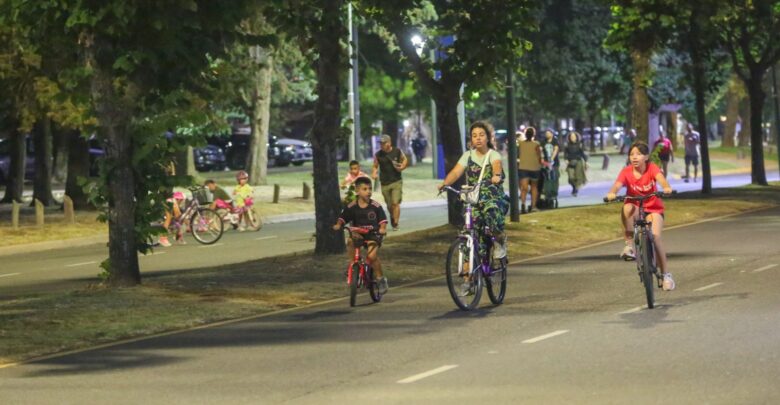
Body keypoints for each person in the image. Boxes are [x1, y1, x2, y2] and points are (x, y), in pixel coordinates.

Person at [438, 121, 507, 296]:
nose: (478, 138)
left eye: (481, 135)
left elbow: (497, 165)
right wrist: (445, 183)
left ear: (488, 138)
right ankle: (468, 280)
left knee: (492, 214)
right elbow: (456, 172)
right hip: (475, 200)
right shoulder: (467, 156)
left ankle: (499, 241)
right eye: (474, 135)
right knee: (469, 234)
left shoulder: (493, 154)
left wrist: (496, 176)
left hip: (491, 197)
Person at [605, 142, 675, 291]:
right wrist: (612, 193)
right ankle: (629, 246)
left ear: (646, 157)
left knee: (655, 238)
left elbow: (661, 180)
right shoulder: (626, 171)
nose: (634, 157)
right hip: (636, 207)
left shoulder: (652, 168)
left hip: (654, 209)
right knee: (627, 207)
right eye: (632, 154)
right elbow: (617, 185)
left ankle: (666, 275)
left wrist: (667, 188)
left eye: (638, 154)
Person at [332, 176, 389, 294]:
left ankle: (380, 279)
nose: (368, 191)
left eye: (370, 189)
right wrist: (338, 224)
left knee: (372, 256)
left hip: (373, 234)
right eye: (365, 189)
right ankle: (353, 265)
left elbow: (383, 221)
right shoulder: (352, 206)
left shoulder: (376, 206)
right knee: (350, 241)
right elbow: (343, 218)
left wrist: (382, 229)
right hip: (358, 234)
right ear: (357, 191)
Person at [372, 134, 408, 231]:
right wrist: (374, 173)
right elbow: (375, 166)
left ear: (389, 143)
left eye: (383, 143)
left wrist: (402, 167)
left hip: (396, 181)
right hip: (384, 183)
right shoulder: (378, 155)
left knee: (395, 203)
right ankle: (393, 217)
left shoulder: (397, 151)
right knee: (389, 205)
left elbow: (405, 159)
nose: (382, 145)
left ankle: (395, 223)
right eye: (381, 143)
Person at [517, 127, 543, 213]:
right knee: (534, 187)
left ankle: (523, 205)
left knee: (524, 188)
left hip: (523, 167)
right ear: (533, 135)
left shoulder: (521, 144)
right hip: (534, 168)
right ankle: (533, 206)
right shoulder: (536, 144)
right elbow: (539, 156)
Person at [540, 129, 560, 206]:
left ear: (552, 134)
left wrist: (552, 159)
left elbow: (555, 149)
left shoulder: (555, 141)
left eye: (548, 133)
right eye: (546, 133)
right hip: (545, 163)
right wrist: (542, 158)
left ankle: (553, 194)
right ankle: (547, 194)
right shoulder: (543, 141)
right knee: (547, 178)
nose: (547, 134)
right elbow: (541, 150)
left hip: (554, 163)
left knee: (554, 178)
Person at [564, 131, 588, 196]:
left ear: (576, 137)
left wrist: (586, 162)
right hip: (570, 162)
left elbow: (583, 154)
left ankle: (576, 189)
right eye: (571, 137)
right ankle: (574, 187)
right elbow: (565, 153)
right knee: (571, 177)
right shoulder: (567, 145)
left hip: (578, 162)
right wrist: (566, 159)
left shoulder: (580, 144)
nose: (572, 138)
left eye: (574, 136)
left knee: (578, 177)